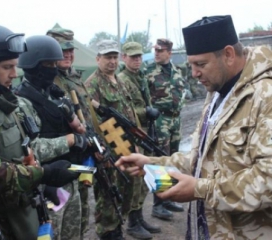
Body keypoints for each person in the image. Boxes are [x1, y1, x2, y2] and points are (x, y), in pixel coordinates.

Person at [115, 15, 272, 239]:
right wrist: (153, 163)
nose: (195, 74)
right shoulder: (217, 92)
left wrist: (200, 189)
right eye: (191, 65)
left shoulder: (265, 96)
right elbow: (203, 159)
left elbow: (267, 180)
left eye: (201, 64)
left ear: (228, 54)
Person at [0, 24, 81, 240]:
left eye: (15, 66)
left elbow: (22, 150)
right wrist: (43, 174)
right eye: (6, 67)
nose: (15, 74)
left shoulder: (2, 101)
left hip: (20, 215)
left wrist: (37, 182)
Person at [13, 35, 91, 240]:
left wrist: (84, 137)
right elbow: (31, 148)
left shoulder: (55, 95)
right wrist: (71, 140)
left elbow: (79, 127)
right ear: (33, 65)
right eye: (49, 64)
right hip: (46, 185)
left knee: (73, 233)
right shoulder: (21, 102)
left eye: (55, 63)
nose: (54, 68)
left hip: (69, 177)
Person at [85, 40, 144, 240]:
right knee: (109, 192)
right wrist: (102, 151)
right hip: (109, 148)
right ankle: (107, 231)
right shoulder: (92, 85)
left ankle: (119, 225)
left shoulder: (121, 81)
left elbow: (130, 112)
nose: (112, 61)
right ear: (98, 59)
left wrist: (136, 138)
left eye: (114, 57)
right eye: (107, 57)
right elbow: (91, 122)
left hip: (127, 144)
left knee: (128, 188)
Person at [46, 24, 93, 237]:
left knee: (82, 208)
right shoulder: (46, 81)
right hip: (62, 158)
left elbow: (87, 112)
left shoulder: (74, 77)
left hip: (83, 152)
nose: (68, 55)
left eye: (70, 50)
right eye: (61, 50)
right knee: (59, 218)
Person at [118, 41, 161, 238]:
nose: (137, 60)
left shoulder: (140, 76)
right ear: (124, 57)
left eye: (139, 56)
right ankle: (132, 223)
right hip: (135, 133)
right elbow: (124, 111)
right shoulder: (122, 79)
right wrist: (145, 112)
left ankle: (139, 217)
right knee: (135, 180)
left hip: (145, 131)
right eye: (132, 56)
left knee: (145, 177)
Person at [146, 38, 185, 219]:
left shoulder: (177, 72)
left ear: (169, 53)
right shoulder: (148, 72)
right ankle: (158, 203)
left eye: (161, 50)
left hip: (175, 121)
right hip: (159, 120)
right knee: (160, 160)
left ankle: (169, 197)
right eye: (156, 50)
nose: (157, 53)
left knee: (173, 160)